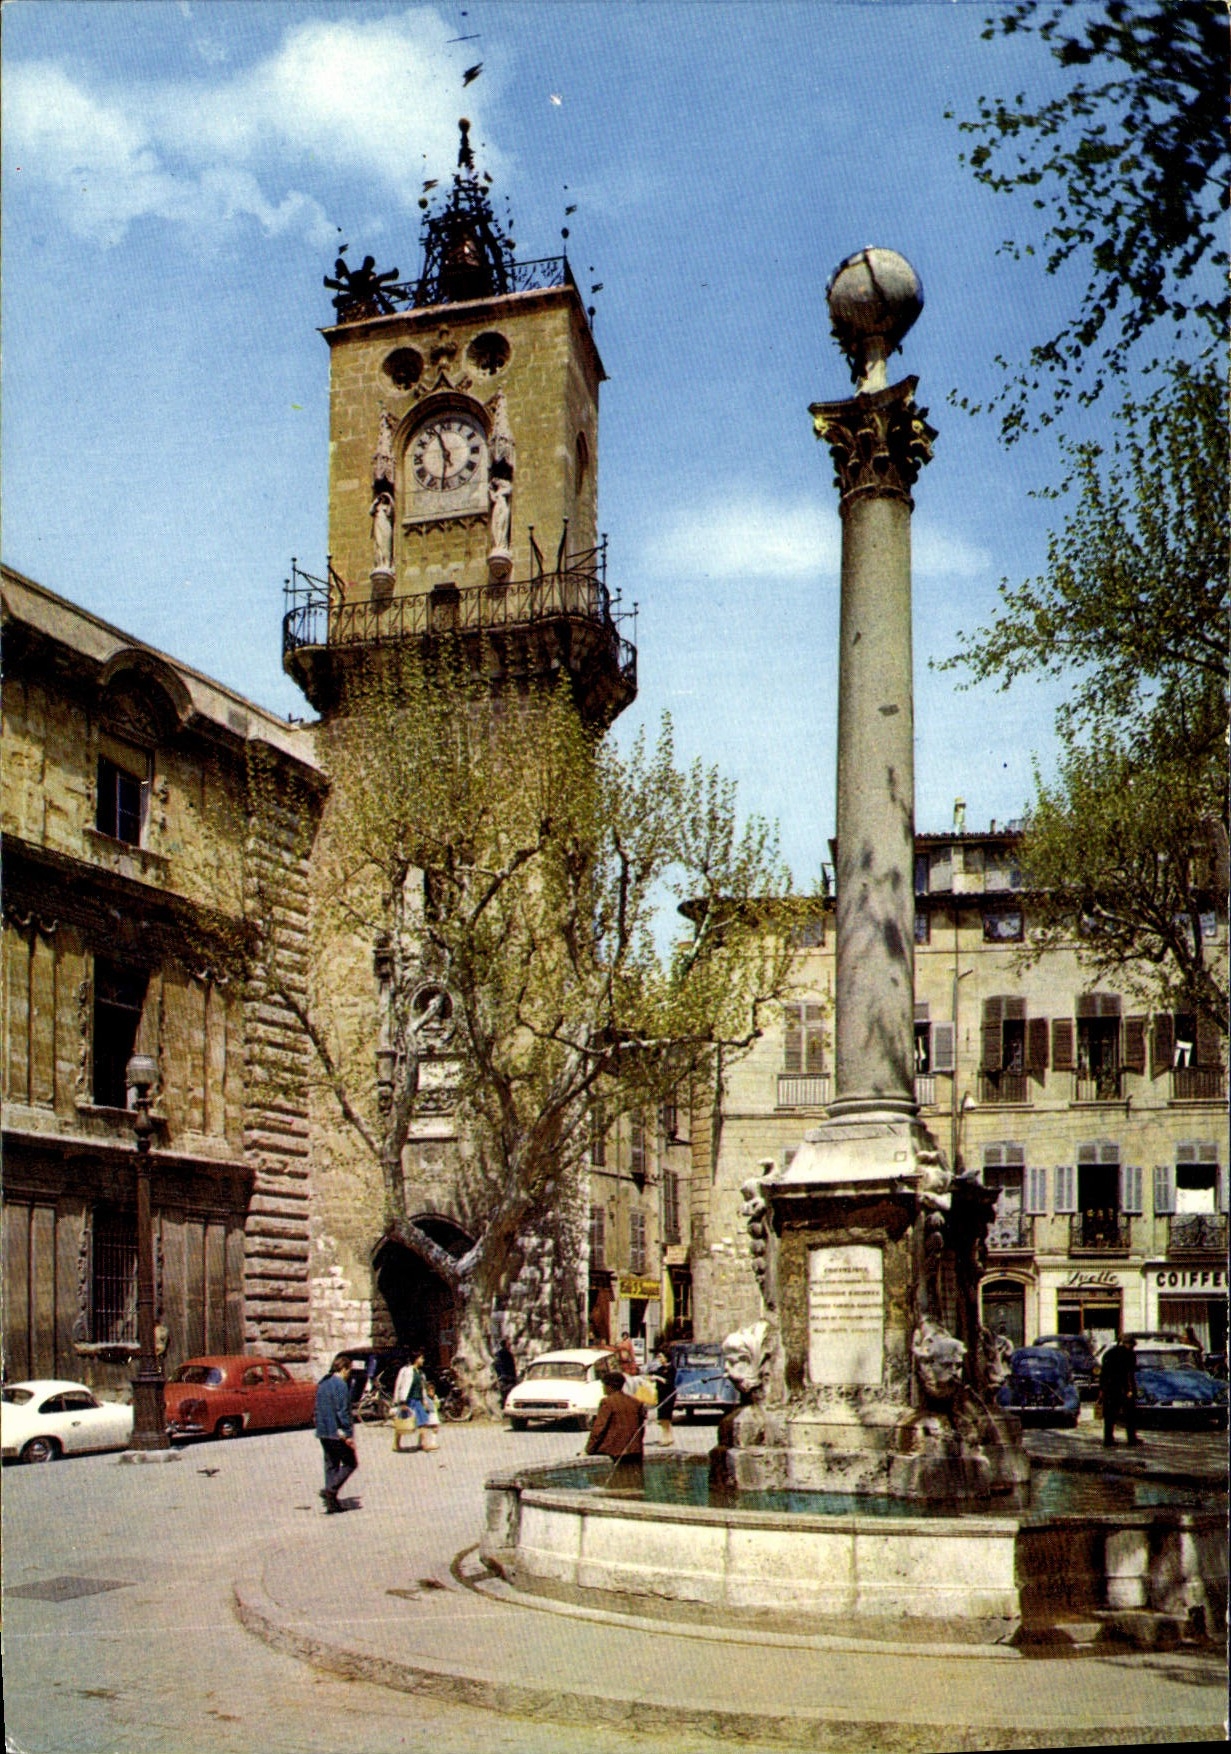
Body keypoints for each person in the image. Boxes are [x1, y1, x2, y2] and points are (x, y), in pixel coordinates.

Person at [315, 1354, 358, 1512]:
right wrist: (347, 1433)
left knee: (331, 1464)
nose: (349, 1374)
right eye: (349, 1370)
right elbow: (342, 1411)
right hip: (336, 1432)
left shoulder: (323, 1383)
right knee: (350, 1463)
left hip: (323, 1430)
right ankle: (331, 1490)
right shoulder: (340, 1385)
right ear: (343, 1368)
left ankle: (332, 1503)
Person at [585, 1372, 645, 1468]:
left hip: (615, 1451)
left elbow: (599, 1428)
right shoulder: (635, 1402)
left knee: (616, 1480)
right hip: (635, 1449)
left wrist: (589, 1449)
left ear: (609, 1386)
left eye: (603, 1385)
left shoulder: (607, 1402)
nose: (602, 1388)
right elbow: (641, 1427)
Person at [1099, 1334, 1140, 1447]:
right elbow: (1129, 1374)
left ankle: (1108, 1440)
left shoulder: (1109, 1353)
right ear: (1128, 1344)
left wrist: (1102, 1389)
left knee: (1109, 1416)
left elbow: (1103, 1373)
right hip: (1123, 1389)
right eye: (1131, 1345)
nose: (1132, 1347)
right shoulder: (1129, 1355)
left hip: (1109, 1389)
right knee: (1130, 1415)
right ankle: (1131, 1439)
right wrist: (1130, 1390)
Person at [392, 1349, 436, 1452]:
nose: (423, 1360)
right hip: (408, 1400)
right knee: (402, 1421)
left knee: (422, 1421)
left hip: (417, 1400)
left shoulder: (420, 1373)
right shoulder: (407, 1371)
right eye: (421, 1358)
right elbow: (400, 1385)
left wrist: (424, 1400)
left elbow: (422, 1388)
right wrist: (401, 1401)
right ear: (416, 1359)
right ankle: (396, 1443)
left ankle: (424, 1444)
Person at [648, 1344, 676, 1446]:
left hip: (668, 1394)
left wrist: (658, 1378)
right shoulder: (660, 1368)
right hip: (660, 1394)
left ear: (666, 1357)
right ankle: (668, 1436)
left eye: (661, 1357)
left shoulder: (671, 1368)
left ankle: (666, 1438)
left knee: (666, 1417)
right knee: (662, 1418)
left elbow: (668, 1381)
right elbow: (652, 1374)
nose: (659, 1359)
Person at [492, 1339, 517, 1406]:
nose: (510, 1345)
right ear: (505, 1345)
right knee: (506, 1392)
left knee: (504, 1392)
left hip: (505, 1376)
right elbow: (504, 1366)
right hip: (506, 1377)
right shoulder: (505, 1354)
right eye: (508, 1344)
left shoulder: (499, 1354)